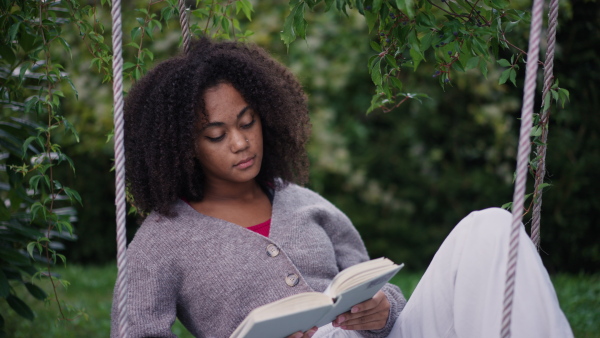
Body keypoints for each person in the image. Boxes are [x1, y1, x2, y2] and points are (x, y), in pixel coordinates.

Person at [111, 37, 573, 338]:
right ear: (181, 147)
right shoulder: (161, 240)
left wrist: (380, 309)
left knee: (491, 228)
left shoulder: (303, 203)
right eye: (216, 135)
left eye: (248, 122)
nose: (240, 142)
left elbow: (376, 287)